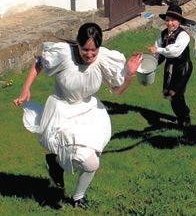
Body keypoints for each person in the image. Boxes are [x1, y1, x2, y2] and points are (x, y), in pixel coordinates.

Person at [13, 23, 143, 208]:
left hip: (88, 111)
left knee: (91, 156)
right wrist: (25, 89)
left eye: (94, 51)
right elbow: (38, 63)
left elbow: (117, 90)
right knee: (90, 163)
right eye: (85, 50)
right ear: (78, 45)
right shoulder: (64, 54)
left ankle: (62, 172)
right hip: (62, 111)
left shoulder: (103, 59)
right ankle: (70, 185)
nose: (89, 55)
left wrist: (129, 74)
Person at [147, 4, 195, 131]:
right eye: (168, 20)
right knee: (170, 95)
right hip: (170, 67)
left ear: (179, 21)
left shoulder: (183, 35)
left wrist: (158, 49)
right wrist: (150, 65)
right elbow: (157, 53)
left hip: (182, 67)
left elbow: (174, 52)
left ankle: (184, 117)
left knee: (177, 94)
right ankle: (181, 116)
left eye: (173, 20)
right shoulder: (163, 34)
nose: (170, 23)